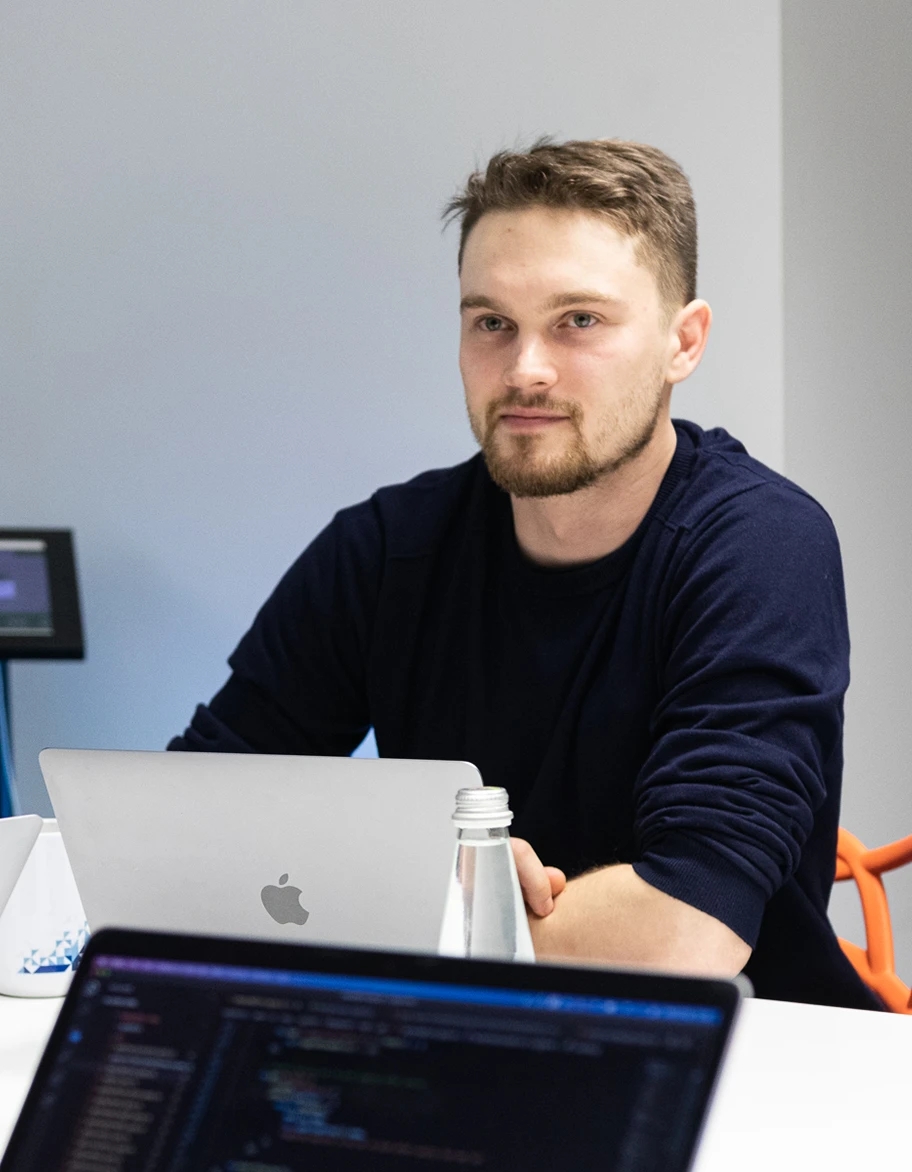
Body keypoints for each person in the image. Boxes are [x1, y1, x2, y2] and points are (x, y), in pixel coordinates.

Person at [171, 138, 881, 1009]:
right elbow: (185, 826)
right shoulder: (387, 548)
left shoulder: (759, 546)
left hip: (752, 1066)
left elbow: (687, 929)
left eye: (579, 320)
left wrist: (438, 916)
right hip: (450, 1042)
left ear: (682, 342)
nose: (525, 369)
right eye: (491, 322)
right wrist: (417, 873)